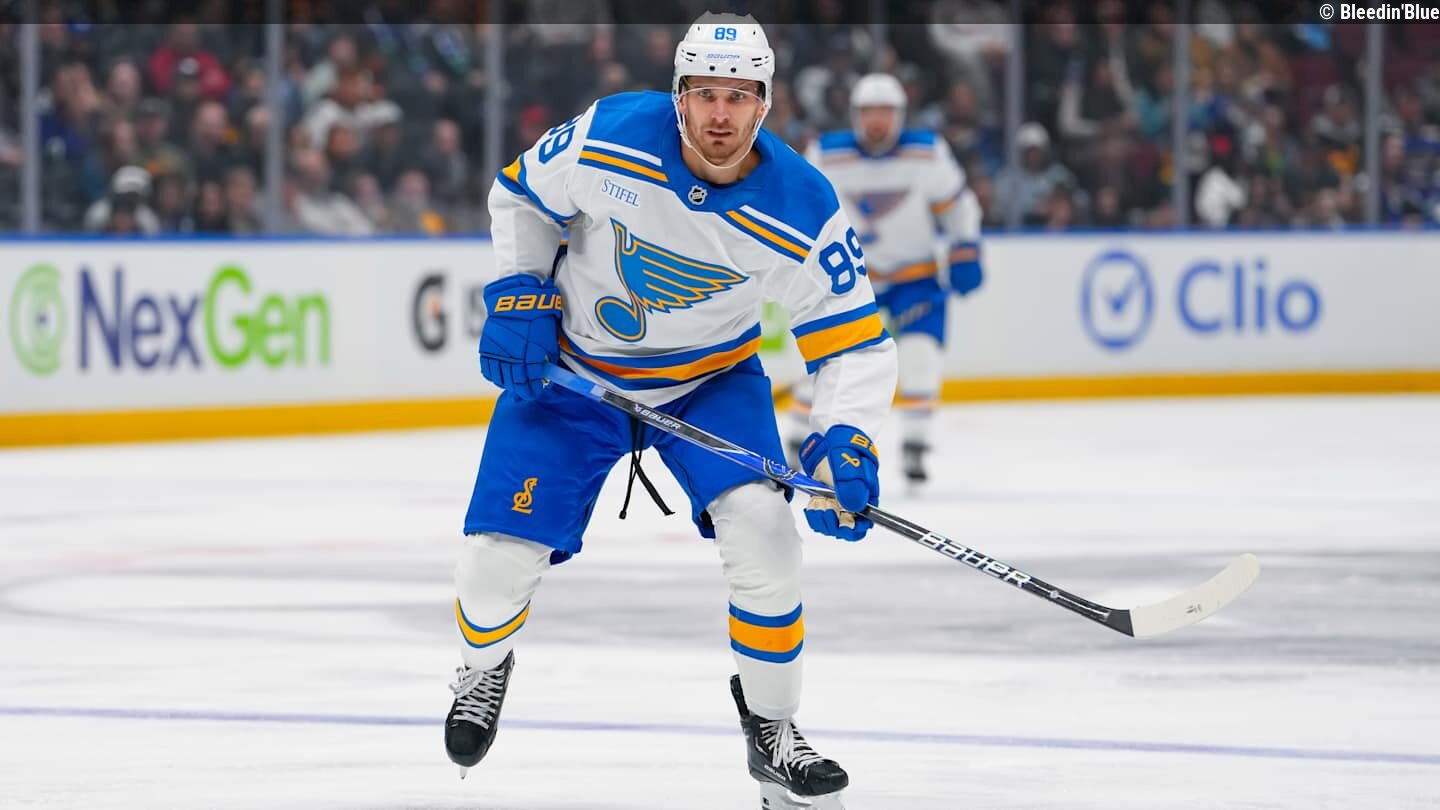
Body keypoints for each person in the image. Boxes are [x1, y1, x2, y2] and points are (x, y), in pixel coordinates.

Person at [444, 13, 896, 807]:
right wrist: (520, 290)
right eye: (705, 95)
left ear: (765, 104)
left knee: (766, 535)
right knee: (493, 568)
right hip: (573, 376)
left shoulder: (801, 203)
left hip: (709, 383)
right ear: (678, 96)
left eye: (739, 96)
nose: (720, 114)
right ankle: (482, 668)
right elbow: (520, 196)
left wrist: (845, 437)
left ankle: (773, 729)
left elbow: (853, 343)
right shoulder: (609, 134)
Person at [788, 73, 984, 484]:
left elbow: (958, 205)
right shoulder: (826, 153)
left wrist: (965, 246)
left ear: (900, 115)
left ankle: (915, 443)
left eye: (885, 112)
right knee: (828, 359)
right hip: (849, 280)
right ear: (854, 115)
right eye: (868, 112)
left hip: (915, 277)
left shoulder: (927, 152)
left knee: (920, 355)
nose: (876, 121)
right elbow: (798, 207)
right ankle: (797, 438)